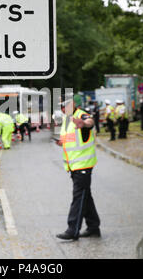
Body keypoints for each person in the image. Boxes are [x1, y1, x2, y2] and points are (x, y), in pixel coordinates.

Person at [55, 94, 101, 240]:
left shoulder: (81, 115)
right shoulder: (66, 119)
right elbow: (73, 138)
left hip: (83, 165)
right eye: (61, 106)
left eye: (66, 105)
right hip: (74, 166)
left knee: (78, 197)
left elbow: (89, 122)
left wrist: (84, 123)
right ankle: (93, 227)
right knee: (85, 196)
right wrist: (62, 142)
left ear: (73, 103)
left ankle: (72, 229)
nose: (63, 108)